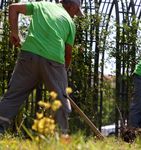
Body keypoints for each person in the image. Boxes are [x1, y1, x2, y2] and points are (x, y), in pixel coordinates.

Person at [0, 0, 83, 134]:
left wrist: (15, 33)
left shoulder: (42, 5)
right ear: (72, 6)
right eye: (76, 12)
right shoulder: (69, 22)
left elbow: (13, 8)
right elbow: (68, 54)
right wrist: (61, 77)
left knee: (14, 95)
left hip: (29, 55)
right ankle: (61, 136)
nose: (75, 15)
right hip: (53, 60)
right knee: (61, 101)